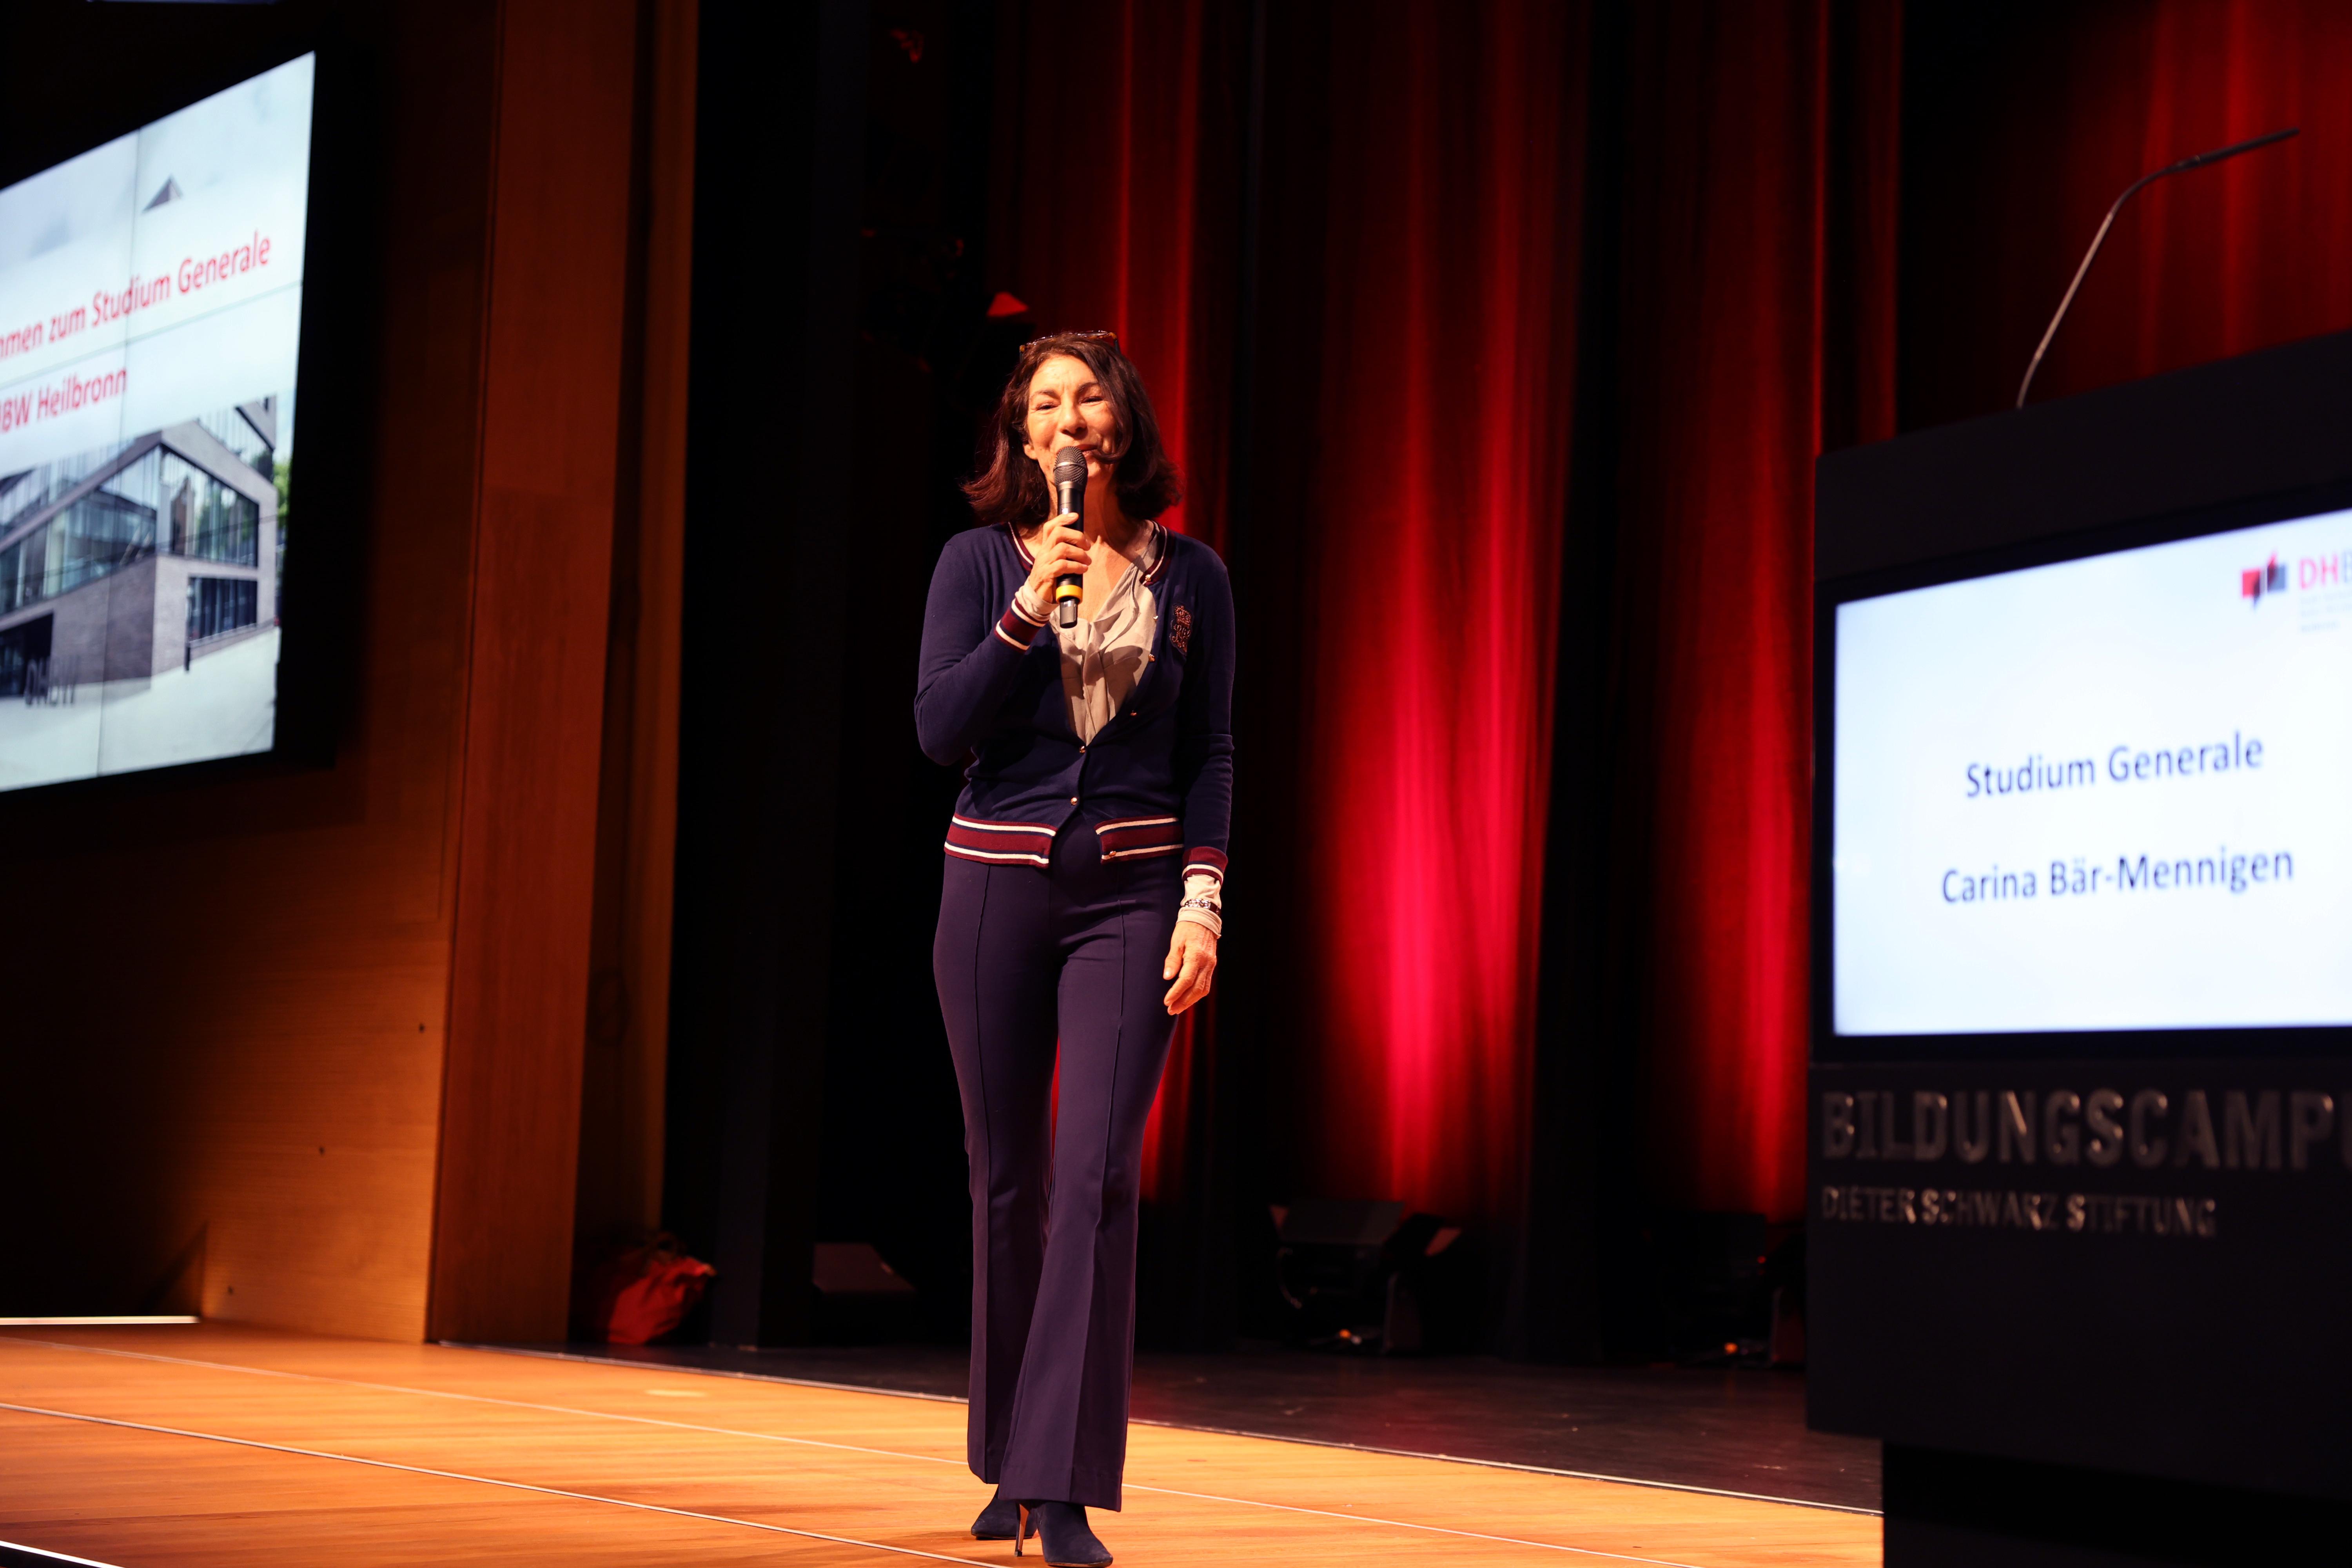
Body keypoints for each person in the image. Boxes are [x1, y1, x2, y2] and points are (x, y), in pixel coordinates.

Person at [915, 330, 1234, 1567]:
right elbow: (940, 731)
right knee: (1003, 1179)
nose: (1066, 417)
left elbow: (1211, 753)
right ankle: (1005, 1454)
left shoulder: (1193, 573)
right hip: (990, 886)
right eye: (1044, 400)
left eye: (1087, 396)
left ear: (1121, 424)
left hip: (1135, 894)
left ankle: (1059, 1488)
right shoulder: (979, 562)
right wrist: (1015, 617)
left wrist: (1203, 899)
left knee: (1096, 1178)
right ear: (1020, 431)